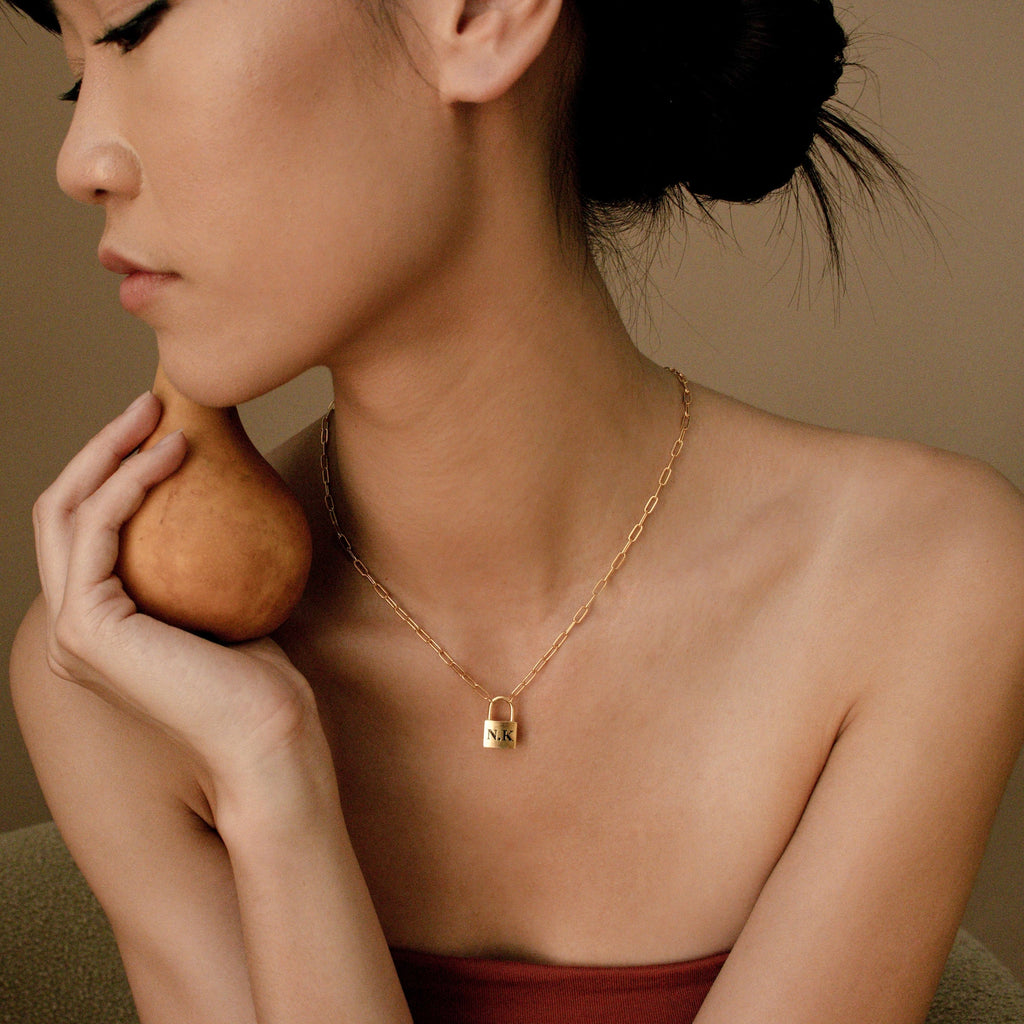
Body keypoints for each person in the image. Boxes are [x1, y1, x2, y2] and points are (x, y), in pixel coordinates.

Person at [6, 0, 1024, 1022]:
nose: (80, 158)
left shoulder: (922, 586)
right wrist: (269, 776)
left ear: (481, 15)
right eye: (75, 76)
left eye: (134, 31)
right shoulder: (116, 676)